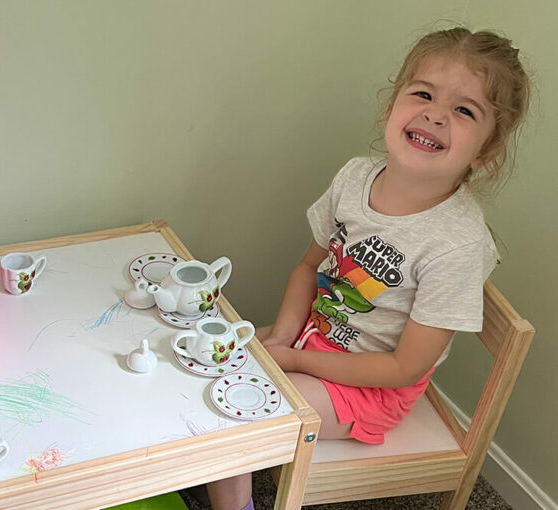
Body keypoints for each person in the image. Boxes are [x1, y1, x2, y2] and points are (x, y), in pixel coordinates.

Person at [197, 27, 531, 510]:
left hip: (370, 389)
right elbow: (308, 267)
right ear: (391, 106)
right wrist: (285, 334)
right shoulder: (355, 177)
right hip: (313, 340)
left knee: (239, 406)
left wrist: (290, 359)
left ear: (485, 152)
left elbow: (402, 369)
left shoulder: (458, 245)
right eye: (423, 94)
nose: (436, 114)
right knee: (210, 362)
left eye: (464, 110)